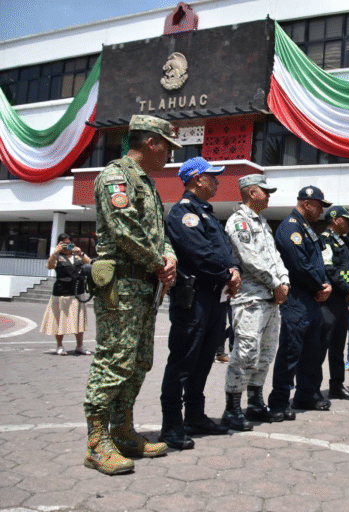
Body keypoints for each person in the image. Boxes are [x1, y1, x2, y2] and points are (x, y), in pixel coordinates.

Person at [83, 115, 179, 475]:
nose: (170, 153)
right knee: (114, 359)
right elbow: (124, 230)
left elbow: (160, 233)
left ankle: (122, 431)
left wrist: (169, 258)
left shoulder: (148, 185)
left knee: (139, 360)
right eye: (167, 146)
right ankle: (96, 441)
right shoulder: (114, 176)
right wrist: (159, 261)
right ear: (151, 142)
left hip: (145, 286)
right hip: (121, 284)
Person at [158, 157, 240, 450]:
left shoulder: (208, 214)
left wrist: (233, 269)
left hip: (215, 298)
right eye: (212, 176)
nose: (217, 181)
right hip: (193, 299)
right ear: (197, 179)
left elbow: (225, 250)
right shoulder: (184, 213)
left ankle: (195, 415)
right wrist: (226, 273)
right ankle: (171, 425)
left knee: (204, 360)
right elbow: (199, 254)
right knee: (183, 362)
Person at [224, 174, 290, 427]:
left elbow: (275, 257)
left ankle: (254, 403)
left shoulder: (262, 223)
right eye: (265, 191)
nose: (269, 195)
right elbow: (250, 258)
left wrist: (284, 281)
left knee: (265, 353)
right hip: (251, 298)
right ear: (251, 193)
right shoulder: (238, 222)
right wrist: (276, 284)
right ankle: (232, 409)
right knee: (246, 354)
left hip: (271, 298)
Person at [268, 186, 332, 419]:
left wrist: (326, 285)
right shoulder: (290, 228)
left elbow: (318, 264)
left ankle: (307, 394)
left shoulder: (308, 230)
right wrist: (319, 286)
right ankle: (279, 401)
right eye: (319, 206)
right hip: (297, 300)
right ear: (307, 203)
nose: (321, 211)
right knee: (291, 351)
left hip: (313, 300)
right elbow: (299, 265)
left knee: (312, 352)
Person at [320, 205, 349, 399]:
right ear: (335, 220)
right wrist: (346, 289)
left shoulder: (346, 242)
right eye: (346, 219)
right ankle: (310, 388)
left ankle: (337, 386)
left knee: (338, 348)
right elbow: (329, 269)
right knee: (320, 346)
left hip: (344, 300)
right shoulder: (325, 240)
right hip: (331, 300)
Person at [41, 233, 92, 356]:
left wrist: (81, 253)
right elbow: (49, 266)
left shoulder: (77, 256)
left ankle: (80, 346)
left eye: (69, 244)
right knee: (60, 321)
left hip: (78, 293)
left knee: (79, 321)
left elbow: (91, 264)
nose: (66, 247)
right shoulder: (57, 256)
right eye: (63, 244)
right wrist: (54, 252)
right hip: (61, 293)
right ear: (58, 244)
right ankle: (59, 346)